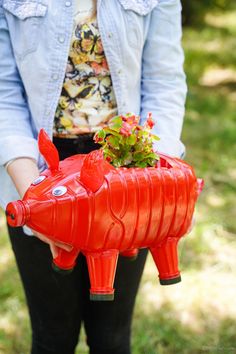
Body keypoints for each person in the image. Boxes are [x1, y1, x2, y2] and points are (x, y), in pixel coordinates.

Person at [0, 0, 187, 353]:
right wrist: (35, 199)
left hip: (128, 171)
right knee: (52, 334)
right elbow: (3, 93)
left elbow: (164, 82)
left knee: (112, 336)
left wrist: (151, 177)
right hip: (40, 172)